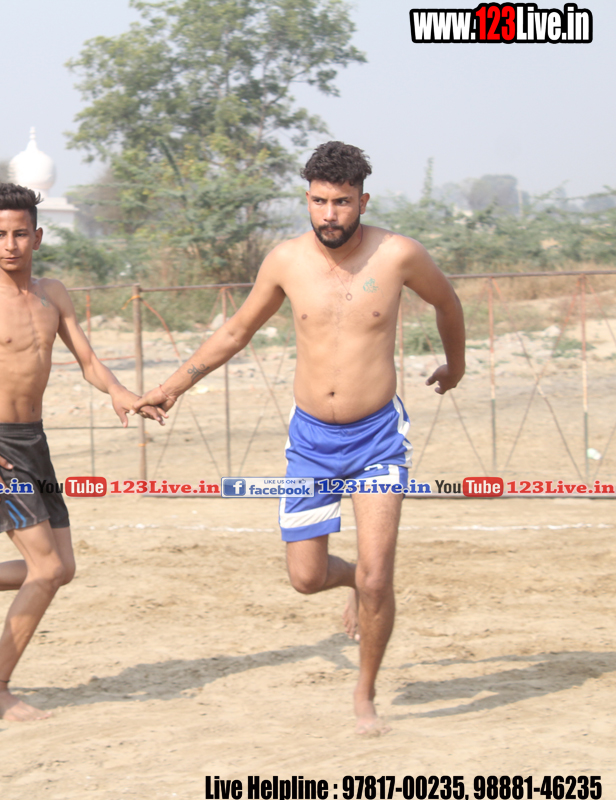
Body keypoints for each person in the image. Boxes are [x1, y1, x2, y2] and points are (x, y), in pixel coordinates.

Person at [134, 141, 466, 735]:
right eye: (319, 201)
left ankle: (364, 694)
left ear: (363, 200)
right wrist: (171, 387)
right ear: (307, 199)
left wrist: (455, 366)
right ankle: (357, 581)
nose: (329, 214)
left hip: (377, 438)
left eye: (342, 202)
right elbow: (236, 331)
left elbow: (448, 302)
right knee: (307, 578)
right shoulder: (286, 260)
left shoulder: (399, 255)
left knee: (378, 576)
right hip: (311, 440)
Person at [0, 183, 162, 721]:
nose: (11, 245)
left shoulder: (54, 295)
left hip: (35, 442)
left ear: (38, 237)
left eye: (20, 234)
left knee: (61, 567)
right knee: (44, 570)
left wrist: (120, 392)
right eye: (0, 235)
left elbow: (88, 361)